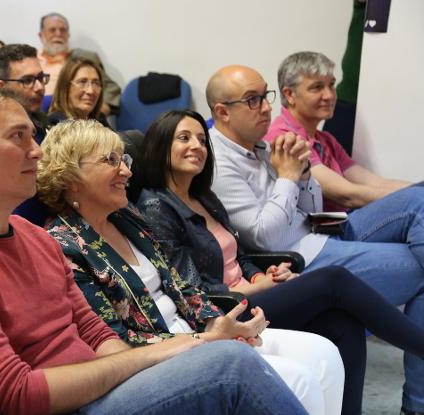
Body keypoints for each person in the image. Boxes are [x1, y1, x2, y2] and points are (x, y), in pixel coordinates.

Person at [0, 85, 308, 415]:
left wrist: (177, 350)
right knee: (230, 368)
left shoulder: (30, 233)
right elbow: (14, 395)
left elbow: (95, 333)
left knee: (242, 357)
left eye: (33, 136)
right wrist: (172, 352)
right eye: (18, 137)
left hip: (101, 389)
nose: (36, 150)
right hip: (67, 407)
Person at [39, 119, 346, 415]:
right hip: (151, 362)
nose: (126, 170)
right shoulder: (63, 247)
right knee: (300, 381)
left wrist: (217, 324)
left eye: (124, 158)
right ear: (71, 177)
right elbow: (115, 344)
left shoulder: (127, 218)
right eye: (110, 160)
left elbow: (180, 284)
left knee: (323, 355)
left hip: (196, 333)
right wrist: (206, 339)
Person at [134, 109, 424, 415]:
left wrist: (262, 275)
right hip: (224, 312)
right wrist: (258, 288)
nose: (197, 146)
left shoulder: (203, 197)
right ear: (161, 146)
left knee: (345, 324)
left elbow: (241, 255)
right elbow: (191, 290)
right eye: (184, 138)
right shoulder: (156, 207)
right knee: (333, 279)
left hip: (251, 293)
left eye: (201, 139)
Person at [206, 65, 424, 415]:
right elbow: (264, 237)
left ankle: (417, 405)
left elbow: (310, 210)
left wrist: (304, 175)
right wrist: (289, 177)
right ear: (222, 112)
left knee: (419, 198)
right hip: (298, 257)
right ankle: (417, 405)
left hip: (319, 234)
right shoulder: (219, 163)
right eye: (252, 100)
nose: (265, 107)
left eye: (265, 96)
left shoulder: (261, 146)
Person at [265, 51, 411, 211]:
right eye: (317, 87)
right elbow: (347, 196)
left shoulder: (325, 139)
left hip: (344, 223)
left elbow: (376, 183)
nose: (329, 95)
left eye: (331, 85)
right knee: (414, 209)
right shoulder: (284, 137)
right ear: (290, 95)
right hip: (319, 233)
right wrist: (414, 196)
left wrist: (418, 189)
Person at [38, 12, 121, 115]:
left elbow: (111, 87)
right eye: (52, 30)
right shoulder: (31, 60)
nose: (58, 34)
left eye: (63, 30)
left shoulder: (84, 57)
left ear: (68, 35)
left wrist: (102, 105)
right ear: (41, 35)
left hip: (71, 114)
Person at [0, 43, 49, 143]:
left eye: (40, 78)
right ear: (2, 87)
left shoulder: (44, 122)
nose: (39, 87)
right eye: (27, 80)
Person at [48, 55, 109, 127]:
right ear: (65, 86)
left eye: (96, 83)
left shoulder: (99, 119)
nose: (91, 91)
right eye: (82, 82)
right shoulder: (57, 122)